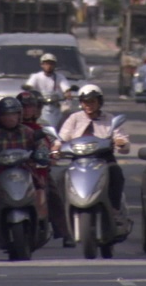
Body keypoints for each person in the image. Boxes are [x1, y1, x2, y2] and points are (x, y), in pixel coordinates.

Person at [0, 97, 51, 245]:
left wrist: (42, 153)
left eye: (13, 114)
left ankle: (41, 222)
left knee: (41, 192)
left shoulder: (27, 131)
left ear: (19, 115)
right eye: (6, 115)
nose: (10, 118)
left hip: (25, 172)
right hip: (1, 175)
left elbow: (40, 144)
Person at [54, 84, 130, 221]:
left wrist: (121, 142)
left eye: (92, 101)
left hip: (103, 160)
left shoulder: (109, 119)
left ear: (99, 102)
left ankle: (115, 210)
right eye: (85, 102)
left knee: (116, 173)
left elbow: (122, 141)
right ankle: (64, 217)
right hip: (78, 161)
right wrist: (56, 148)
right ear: (81, 103)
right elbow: (62, 138)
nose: (89, 105)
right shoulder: (74, 118)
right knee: (61, 178)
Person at [16, 91, 75, 247]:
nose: (28, 110)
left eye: (31, 107)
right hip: (14, 172)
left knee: (55, 197)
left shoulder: (43, 127)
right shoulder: (9, 127)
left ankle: (64, 233)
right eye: (24, 107)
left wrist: (53, 155)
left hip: (38, 172)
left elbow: (52, 146)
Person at [24, 53, 72, 128]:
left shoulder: (59, 77)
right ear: (42, 65)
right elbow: (30, 85)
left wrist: (67, 93)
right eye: (46, 64)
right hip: (40, 105)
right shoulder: (36, 76)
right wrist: (29, 88)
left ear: (54, 65)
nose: (49, 66)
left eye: (51, 64)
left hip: (55, 105)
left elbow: (65, 87)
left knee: (67, 114)